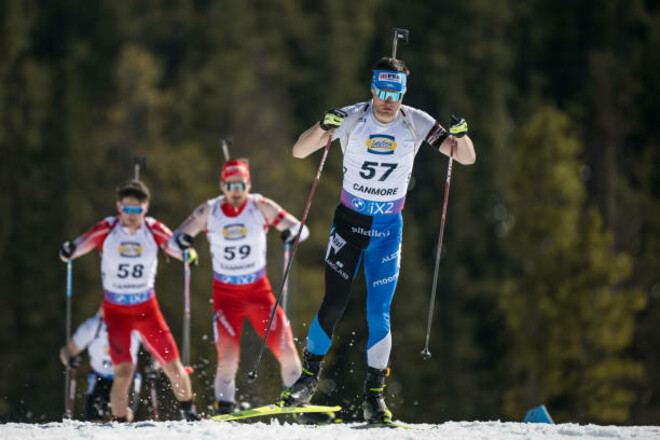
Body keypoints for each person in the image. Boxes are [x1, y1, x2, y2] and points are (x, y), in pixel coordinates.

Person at [280, 57, 476, 424]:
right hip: (349, 225)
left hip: (387, 229)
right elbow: (299, 150)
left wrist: (462, 137)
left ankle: (374, 397)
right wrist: (322, 126)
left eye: (396, 92)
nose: (388, 100)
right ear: (372, 88)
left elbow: (464, 159)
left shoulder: (415, 121)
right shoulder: (353, 117)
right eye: (382, 91)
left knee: (378, 312)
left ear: (404, 92)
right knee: (334, 302)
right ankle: (307, 380)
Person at [168, 159, 306, 415]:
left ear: (248, 184)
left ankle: (300, 405)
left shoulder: (260, 206)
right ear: (222, 185)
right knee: (228, 359)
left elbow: (301, 229)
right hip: (226, 295)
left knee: (287, 352)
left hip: (259, 293)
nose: (235, 190)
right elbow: (173, 242)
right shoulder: (210, 210)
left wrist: (291, 233)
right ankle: (224, 410)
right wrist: (184, 242)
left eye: (240, 185)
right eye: (230, 185)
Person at [59, 179, 201, 422]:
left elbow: (175, 245)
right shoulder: (107, 228)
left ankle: (190, 413)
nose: (131, 215)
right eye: (126, 209)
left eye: (137, 210)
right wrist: (69, 251)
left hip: (147, 310)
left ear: (145, 207)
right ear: (118, 207)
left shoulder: (153, 228)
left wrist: (187, 253)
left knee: (173, 366)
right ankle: (120, 423)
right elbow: (80, 245)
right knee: (123, 374)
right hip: (116, 313)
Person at [59, 308, 142, 422]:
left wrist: (155, 365)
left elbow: (157, 351)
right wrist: (69, 359)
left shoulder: (134, 326)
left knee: (123, 419)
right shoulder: (93, 326)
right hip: (100, 377)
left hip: (127, 377)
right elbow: (68, 351)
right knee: (94, 418)